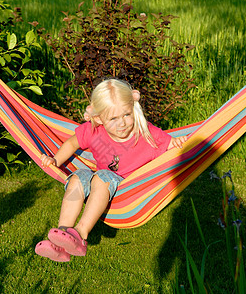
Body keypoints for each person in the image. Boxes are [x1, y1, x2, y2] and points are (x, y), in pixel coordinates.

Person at [35, 79, 188, 262]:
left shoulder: (145, 132)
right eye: (113, 119)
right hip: (99, 185)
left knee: (101, 177)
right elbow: (72, 143)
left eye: (126, 115)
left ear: (133, 109)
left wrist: (178, 143)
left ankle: (81, 234)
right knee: (78, 177)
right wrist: (55, 159)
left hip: (125, 189)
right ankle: (62, 236)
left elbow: (171, 145)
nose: (122, 123)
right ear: (99, 118)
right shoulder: (94, 130)